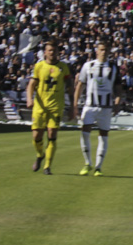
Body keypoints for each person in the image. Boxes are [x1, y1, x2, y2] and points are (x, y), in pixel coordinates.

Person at [72, 41, 122, 176]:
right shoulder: (88, 66)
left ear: (109, 51)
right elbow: (80, 86)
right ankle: (87, 163)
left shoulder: (113, 68)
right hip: (90, 106)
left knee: (103, 135)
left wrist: (117, 103)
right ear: (97, 51)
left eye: (106, 49)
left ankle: (98, 167)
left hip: (106, 107)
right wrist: (75, 104)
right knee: (85, 132)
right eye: (101, 49)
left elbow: (118, 88)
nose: (103, 52)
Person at [26, 42, 73, 175]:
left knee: (52, 134)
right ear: (45, 52)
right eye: (49, 50)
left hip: (56, 107)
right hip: (40, 107)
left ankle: (47, 166)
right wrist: (29, 99)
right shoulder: (39, 66)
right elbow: (31, 85)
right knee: (37, 136)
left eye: (54, 50)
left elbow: (70, 88)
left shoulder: (64, 67)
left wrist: (72, 106)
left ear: (58, 51)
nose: (52, 52)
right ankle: (40, 155)